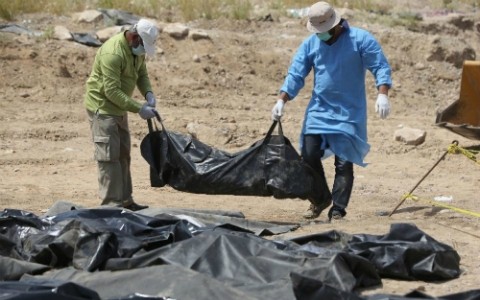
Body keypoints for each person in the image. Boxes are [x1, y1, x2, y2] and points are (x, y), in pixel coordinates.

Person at [271, 2, 392, 220]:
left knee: (343, 163)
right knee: (308, 155)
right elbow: (296, 74)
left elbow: (380, 66)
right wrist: (282, 99)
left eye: (323, 31)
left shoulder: (360, 40)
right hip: (319, 110)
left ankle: (338, 209)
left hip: (349, 113)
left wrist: (382, 93)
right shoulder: (311, 44)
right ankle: (320, 199)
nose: (320, 35)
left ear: (335, 25)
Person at [84, 19, 159, 211]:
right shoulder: (113, 53)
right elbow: (111, 91)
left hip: (120, 108)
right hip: (103, 109)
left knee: (124, 154)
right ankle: (111, 207)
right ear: (134, 37)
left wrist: (148, 93)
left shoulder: (136, 50)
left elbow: (142, 74)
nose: (143, 51)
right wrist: (139, 108)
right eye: (143, 46)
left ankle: (126, 202)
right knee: (109, 158)